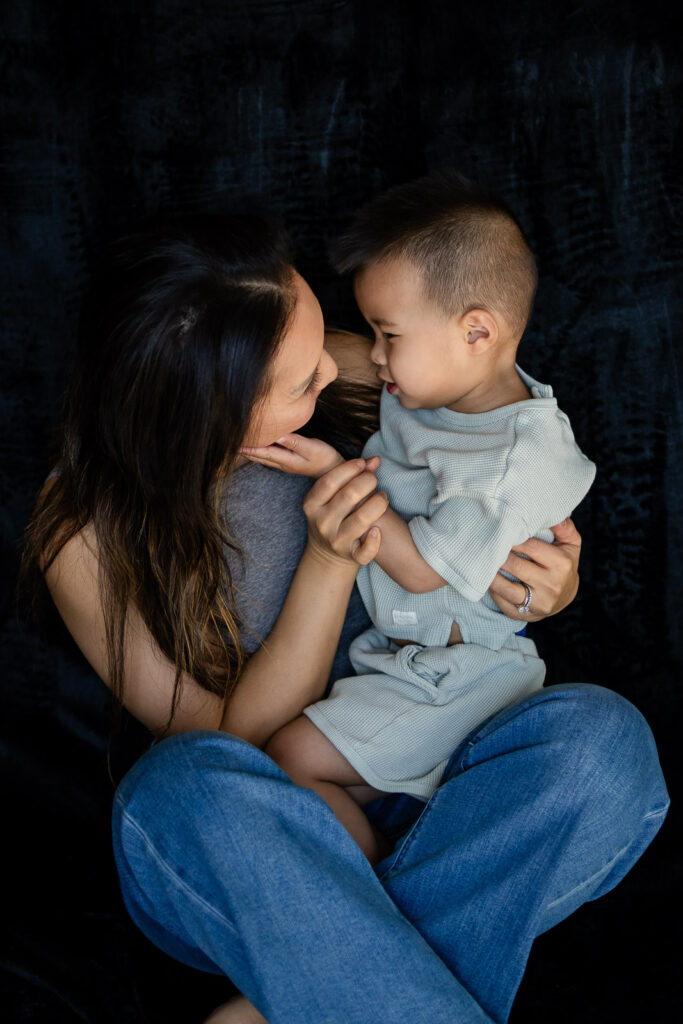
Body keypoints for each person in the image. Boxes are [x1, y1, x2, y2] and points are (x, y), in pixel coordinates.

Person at [21, 211, 668, 1024]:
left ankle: (310, 987)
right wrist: (329, 563)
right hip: (266, 846)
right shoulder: (81, 532)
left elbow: (513, 466)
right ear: (207, 414)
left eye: (326, 338)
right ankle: (376, 955)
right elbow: (233, 748)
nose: (339, 363)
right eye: (301, 383)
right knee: (171, 794)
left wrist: (549, 584)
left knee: (604, 746)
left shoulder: (371, 367)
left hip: (441, 789)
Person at [242, 173, 597, 865]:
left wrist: (328, 474)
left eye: (386, 334)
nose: (374, 356)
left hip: (458, 677)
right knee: (288, 763)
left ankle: (372, 917)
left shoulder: (507, 463)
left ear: (476, 332)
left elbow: (424, 570)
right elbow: (329, 368)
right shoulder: (442, 384)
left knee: (290, 759)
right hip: (405, 663)